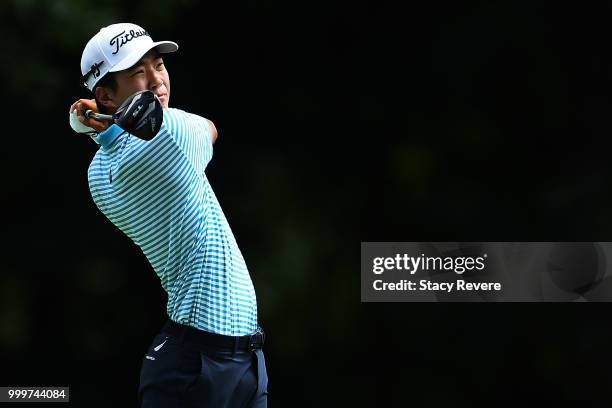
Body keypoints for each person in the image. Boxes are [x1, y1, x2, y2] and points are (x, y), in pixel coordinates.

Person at [69, 23, 268, 407]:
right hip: (200, 364)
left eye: (158, 65)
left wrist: (101, 126)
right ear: (106, 95)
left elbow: (122, 139)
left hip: (231, 356)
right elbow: (209, 129)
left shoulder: (98, 174)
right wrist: (109, 122)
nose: (156, 80)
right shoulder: (174, 137)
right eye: (137, 73)